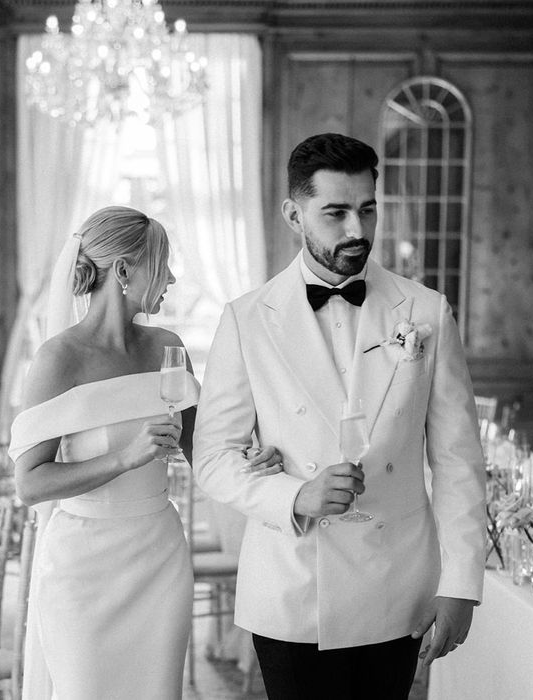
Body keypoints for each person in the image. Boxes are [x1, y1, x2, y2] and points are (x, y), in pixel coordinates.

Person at [193, 133, 486, 699]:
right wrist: (292, 497)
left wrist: (461, 585)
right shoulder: (246, 319)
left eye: (368, 209)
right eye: (336, 212)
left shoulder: (425, 311)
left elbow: (458, 461)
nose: (358, 230)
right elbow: (213, 458)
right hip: (293, 581)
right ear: (293, 214)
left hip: (397, 584)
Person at [8, 206, 281, 700]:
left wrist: (252, 465)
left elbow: (208, 452)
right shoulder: (58, 359)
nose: (172, 279)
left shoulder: (167, 348)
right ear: (125, 271)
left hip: (159, 557)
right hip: (81, 567)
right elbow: (30, 484)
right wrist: (123, 458)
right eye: (163, 264)